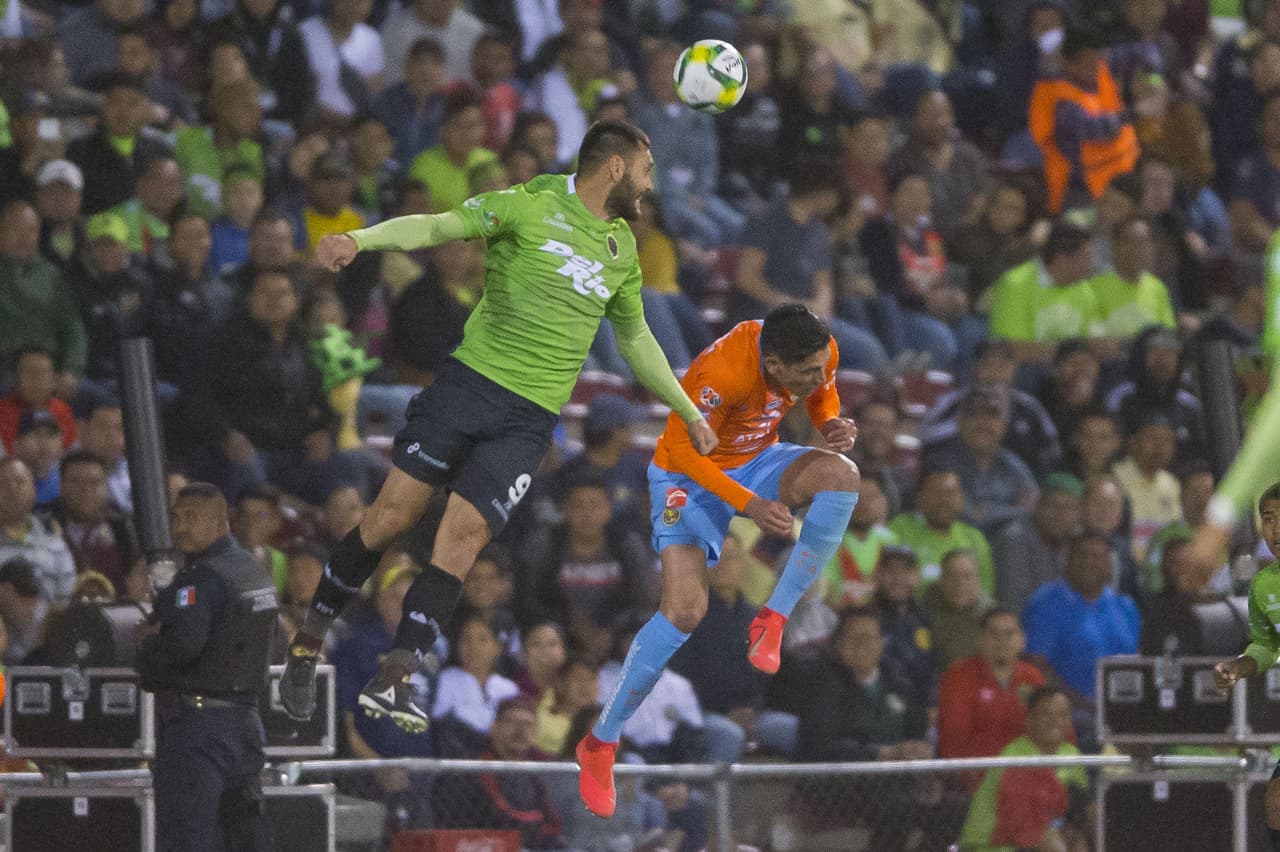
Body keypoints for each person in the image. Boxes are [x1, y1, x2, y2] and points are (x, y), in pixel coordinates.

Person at [279, 120, 716, 734]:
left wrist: (688, 409)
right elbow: (436, 227)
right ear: (614, 167)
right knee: (388, 520)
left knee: (464, 538)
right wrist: (361, 239)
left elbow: (636, 335)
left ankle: (397, 674)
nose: (649, 187)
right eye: (644, 171)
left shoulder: (622, 248)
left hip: (529, 420)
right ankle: (307, 642)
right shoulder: (528, 204)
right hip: (468, 389)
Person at [577, 304, 860, 818]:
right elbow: (685, 453)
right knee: (685, 611)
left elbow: (824, 394)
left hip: (755, 457)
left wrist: (831, 422)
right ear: (772, 364)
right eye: (807, 373)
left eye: (824, 366)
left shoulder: (816, 349)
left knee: (843, 474)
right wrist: (749, 504)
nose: (821, 376)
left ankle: (772, 617)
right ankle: (601, 743)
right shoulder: (721, 374)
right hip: (687, 477)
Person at [136, 483, 278, 852]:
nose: (180, 526)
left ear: (220, 521)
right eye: (176, 518)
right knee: (243, 838)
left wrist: (147, 646)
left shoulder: (202, 579)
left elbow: (182, 646)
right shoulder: (253, 571)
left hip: (198, 732)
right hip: (245, 724)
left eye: (192, 518)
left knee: (186, 839)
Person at [1210, 482, 1280, 851]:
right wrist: (1240, 667)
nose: (1276, 530)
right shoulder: (1264, 585)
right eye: (1268, 520)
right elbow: (1267, 645)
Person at [957, 686, 1090, 850]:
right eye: (1046, 714)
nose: (1055, 721)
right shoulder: (1015, 756)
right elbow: (1018, 823)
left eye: (1062, 715)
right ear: (1029, 720)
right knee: (1052, 842)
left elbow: (1077, 807)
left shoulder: (1072, 754)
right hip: (993, 844)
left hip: (1042, 834)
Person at [937, 608, 1045, 790]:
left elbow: (1054, 730)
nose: (1002, 641)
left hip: (1030, 779)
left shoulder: (1032, 677)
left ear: (1022, 640)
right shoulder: (959, 676)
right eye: (994, 634)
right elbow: (953, 741)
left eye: (1009, 633)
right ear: (981, 639)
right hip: (976, 782)